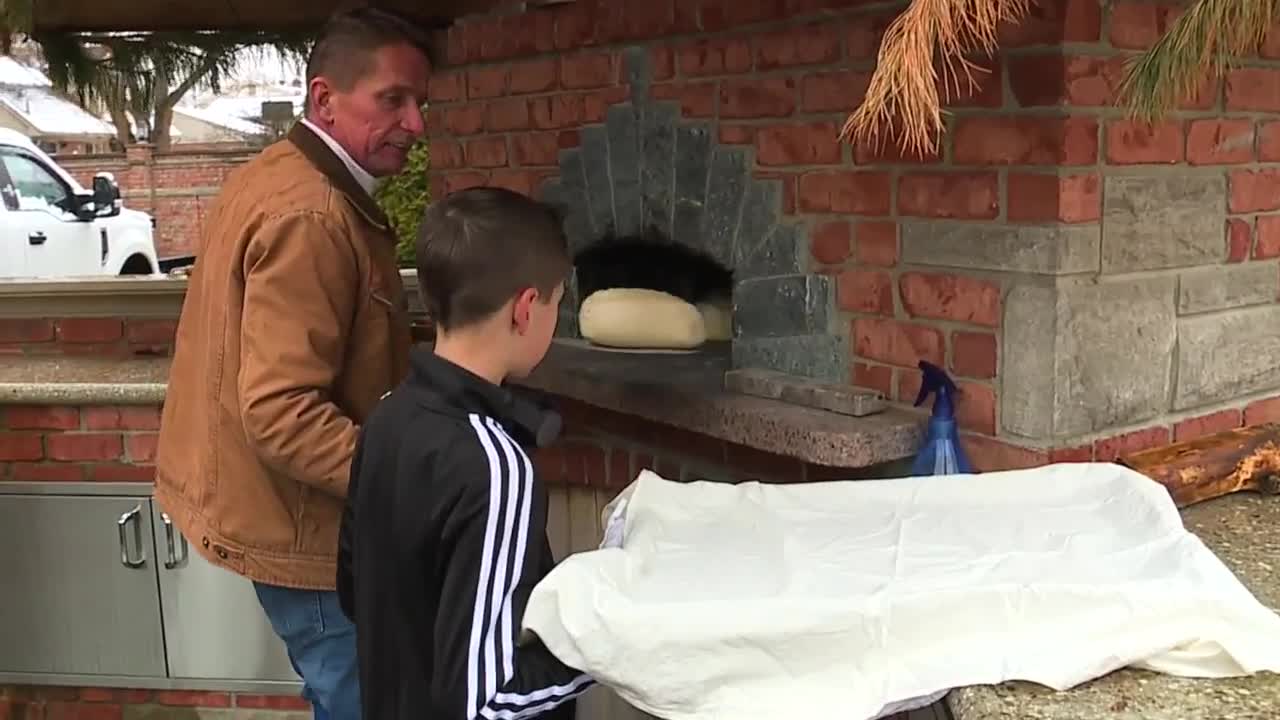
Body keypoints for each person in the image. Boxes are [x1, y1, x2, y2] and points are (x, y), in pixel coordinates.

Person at [152, 8, 431, 719]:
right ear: (324, 99)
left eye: (420, 103)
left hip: (283, 514)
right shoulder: (310, 216)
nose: (415, 123)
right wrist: (406, 476)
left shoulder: (279, 175)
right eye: (392, 100)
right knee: (361, 702)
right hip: (309, 533)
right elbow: (282, 411)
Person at [336, 187, 595, 720]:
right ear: (526, 309)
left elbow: (353, 591)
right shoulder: (496, 468)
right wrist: (606, 646)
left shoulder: (388, 416)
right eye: (555, 302)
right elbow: (485, 699)